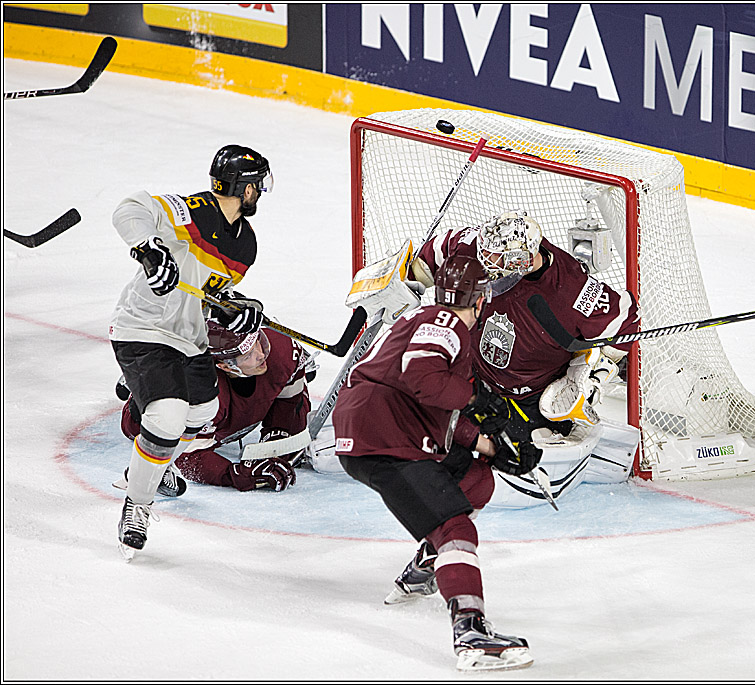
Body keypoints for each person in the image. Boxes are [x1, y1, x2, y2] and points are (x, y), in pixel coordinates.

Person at [332, 255, 538, 672]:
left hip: (382, 429)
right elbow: (422, 379)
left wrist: (488, 445)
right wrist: (476, 398)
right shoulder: (446, 324)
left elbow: (429, 399)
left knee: (475, 479)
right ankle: (471, 633)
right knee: (455, 528)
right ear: (480, 301)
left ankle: (426, 568)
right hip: (386, 434)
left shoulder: (423, 318)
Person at [109, 144, 273, 559]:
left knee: (202, 413)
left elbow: (208, 294)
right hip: (144, 328)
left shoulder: (245, 246)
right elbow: (130, 208)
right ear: (244, 188)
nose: (260, 192)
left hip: (187, 338)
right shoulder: (191, 212)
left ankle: (150, 469)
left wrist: (234, 309)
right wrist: (149, 249)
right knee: (167, 416)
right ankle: (137, 504)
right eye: (257, 185)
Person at [416, 209, 641, 472]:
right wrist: (406, 283)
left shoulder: (570, 288)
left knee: (520, 459)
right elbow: (429, 258)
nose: (483, 264)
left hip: (529, 397)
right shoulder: (475, 245)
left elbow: (626, 320)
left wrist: (593, 374)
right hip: (471, 375)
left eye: (493, 262)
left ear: (521, 261)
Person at [117, 319, 315, 493]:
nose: (261, 354)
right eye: (247, 356)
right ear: (226, 366)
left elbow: (291, 399)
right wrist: (234, 474)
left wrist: (278, 437)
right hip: (167, 405)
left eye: (257, 341)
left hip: (224, 407)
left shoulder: (281, 348)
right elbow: (185, 457)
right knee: (140, 424)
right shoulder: (203, 395)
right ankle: (148, 374)